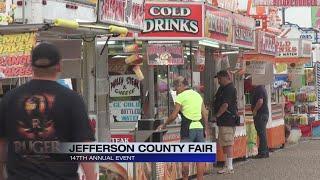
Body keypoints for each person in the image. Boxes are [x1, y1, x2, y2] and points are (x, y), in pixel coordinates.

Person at [0, 43, 96, 180]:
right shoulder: (72, 100)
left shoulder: (9, 99)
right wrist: (91, 177)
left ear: (31, 66)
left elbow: (2, 145)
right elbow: (83, 147)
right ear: (59, 66)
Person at [157, 76, 209, 180]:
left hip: (187, 130)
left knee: (185, 159)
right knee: (200, 158)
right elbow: (205, 113)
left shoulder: (180, 97)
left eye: (176, 87)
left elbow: (174, 115)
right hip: (199, 128)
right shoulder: (198, 95)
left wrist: (164, 124)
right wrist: (206, 129)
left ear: (181, 86)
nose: (176, 90)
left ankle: (185, 178)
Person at [213, 70, 237, 174]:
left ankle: (230, 166)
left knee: (228, 143)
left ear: (226, 77)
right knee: (224, 143)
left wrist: (217, 115)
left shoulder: (230, 88)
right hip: (223, 121)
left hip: (227, 120)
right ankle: (227, 164)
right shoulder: (222, 88)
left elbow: (225, 105)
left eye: (220, 78)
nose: (218, 81)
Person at [251, 85, 269, 158]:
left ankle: (262, 152)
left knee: (261, 134)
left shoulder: (259, 89)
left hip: (260, 114)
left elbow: (260, 101)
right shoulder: (262, 88)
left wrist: (255, 110)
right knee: (262, 134)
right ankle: (265, 151)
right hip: (263, 114)